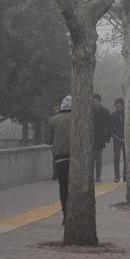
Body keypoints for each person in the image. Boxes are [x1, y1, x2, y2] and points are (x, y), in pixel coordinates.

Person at [47, 95, 72, 224]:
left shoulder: (53, 120)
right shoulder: (78, 118)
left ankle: (65, 214)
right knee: (74, 186)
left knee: (63, 185)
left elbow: (48, 140)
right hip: (74, 157)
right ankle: (74, 213)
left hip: (59, 157)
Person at [92, 94, 111, 182]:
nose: (95, 103)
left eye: (96, 101)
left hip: (100, 138)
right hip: (89, 138)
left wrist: (107, 137)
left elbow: (108, 126)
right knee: (90, 158)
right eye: (93, 102)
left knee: (99, 158)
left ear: (100, 101)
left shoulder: (105, 112)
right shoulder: (89, 111)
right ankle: (90, 174)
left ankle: (98, 174)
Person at [110, 98, 126, 182]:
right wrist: (114, 135)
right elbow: (110, 127)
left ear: (123, 105)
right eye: (117, 106)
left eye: (120, 106)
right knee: (116, 157)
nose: (118, 107)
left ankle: (126, 175)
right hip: (117, 138)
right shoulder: (113, 115)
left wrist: (126, 136)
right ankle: (116, 176)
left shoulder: (128, 113)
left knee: (126, 157)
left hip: (126, 138)